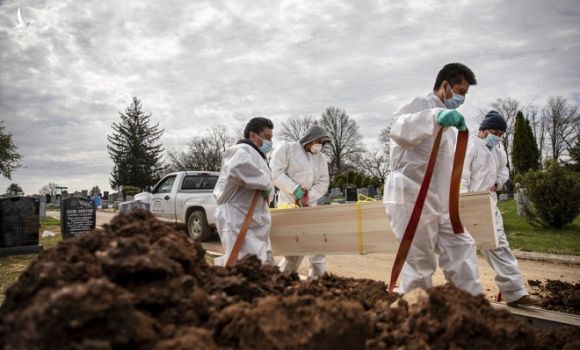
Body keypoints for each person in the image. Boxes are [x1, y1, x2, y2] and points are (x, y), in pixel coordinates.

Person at [383, 62, 483, 295]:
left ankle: (470, 305)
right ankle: (417, 314)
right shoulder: (421, 104)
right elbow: (399, 130)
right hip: (410, 193)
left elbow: (443, 165)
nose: (461, 99)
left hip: (439, 200)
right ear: (445, 85)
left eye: (465, 94)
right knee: (420, 261)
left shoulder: (449, 122)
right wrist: (435, 115)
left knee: (461, 246)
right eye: (460, 92)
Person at [461, 111, 541, 306]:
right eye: (495, 132)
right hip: (468, 204)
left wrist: (498, 181)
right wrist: (463, 202)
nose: (497, 137)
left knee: (500, 246)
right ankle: (465, 297)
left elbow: (504, 169)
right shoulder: (468, 146)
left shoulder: (499, 151)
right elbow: (460, 175)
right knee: (462, 252)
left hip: (489, 204)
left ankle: (515, 293)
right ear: (483, 129)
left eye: (501, 134)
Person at [271, 125, 331, 278]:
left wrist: (309, 196)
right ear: (309, 139)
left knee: (317, 245)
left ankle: (318, 279)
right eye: (318, 141)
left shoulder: (321, 158)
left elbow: (323, 182)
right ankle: (282, 278)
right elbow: (276, 173)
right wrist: (295, 189)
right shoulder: (287, 149)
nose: (320, 145)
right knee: (295, 247)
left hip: (310, 206)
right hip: (289, 204)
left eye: (322, 143)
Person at [213, 117, 275, 265]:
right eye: (267, 137)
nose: (270, 142)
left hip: (250, 217)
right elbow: (237, 168)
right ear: (253, 135)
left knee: (257, 263)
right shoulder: (241, 150)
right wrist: (266, 184)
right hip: (236, 218)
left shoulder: (257, 155)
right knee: (242, 263)